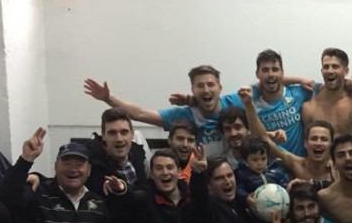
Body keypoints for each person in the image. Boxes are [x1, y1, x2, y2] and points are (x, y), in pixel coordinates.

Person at [84, 65, 242, 156]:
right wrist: (108, 98)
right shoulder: (183, 115)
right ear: (192, 90)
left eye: (210, 84)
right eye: (200, 86)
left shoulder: (237, 102)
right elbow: (140, 114)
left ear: (220, 88)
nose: (206, 90)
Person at [239, 87, 336, 185]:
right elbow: (264, 139)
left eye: (324, 139)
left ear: (331, 144)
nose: (318, 143)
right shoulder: (296, 164)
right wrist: (248, 105)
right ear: (306, 143)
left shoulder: (339, 169)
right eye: (314, 139)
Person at [248, 49, 315, 156]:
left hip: (300, 162)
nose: (270, 74)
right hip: (269, 164)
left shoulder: (298, 93)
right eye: (265, 70)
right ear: (257, 74)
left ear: (282, 73)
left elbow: (327, 89)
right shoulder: (250, 104)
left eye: (275, 69)